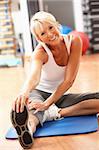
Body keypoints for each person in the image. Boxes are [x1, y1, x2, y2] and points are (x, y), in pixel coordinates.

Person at [11, 11, 99, 149]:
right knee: (35, 111)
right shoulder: (40, 53)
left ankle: (54, 113)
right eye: (43, 33)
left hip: (60, 95)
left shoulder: (74, 41)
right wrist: (24, 92)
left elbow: (69, 81)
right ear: (39, 39)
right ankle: (28, 130)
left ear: (57, 25)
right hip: (39, 93)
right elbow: (34, 77)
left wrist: (48, 104)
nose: (50, 34)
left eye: (50, 28)